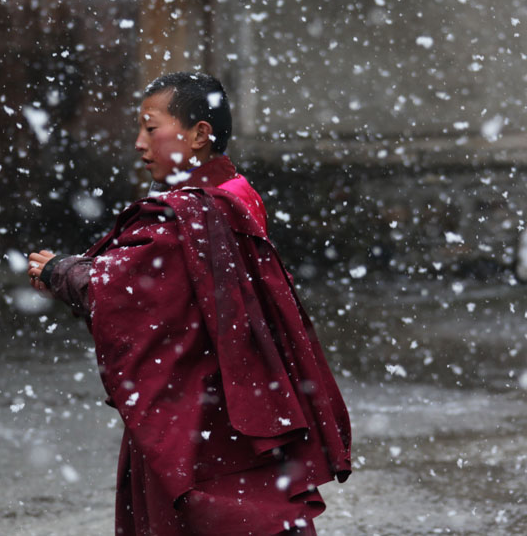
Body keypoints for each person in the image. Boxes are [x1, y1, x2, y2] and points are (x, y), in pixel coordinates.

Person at [27, 72, 351, 535]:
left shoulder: (187, 213)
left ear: (200, 134)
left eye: (150, 127)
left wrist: (60, 271)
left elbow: (116, 289)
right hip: (243, 391)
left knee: (202, 513)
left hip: (196, 408)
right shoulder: (236, 192)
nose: (139, 143)